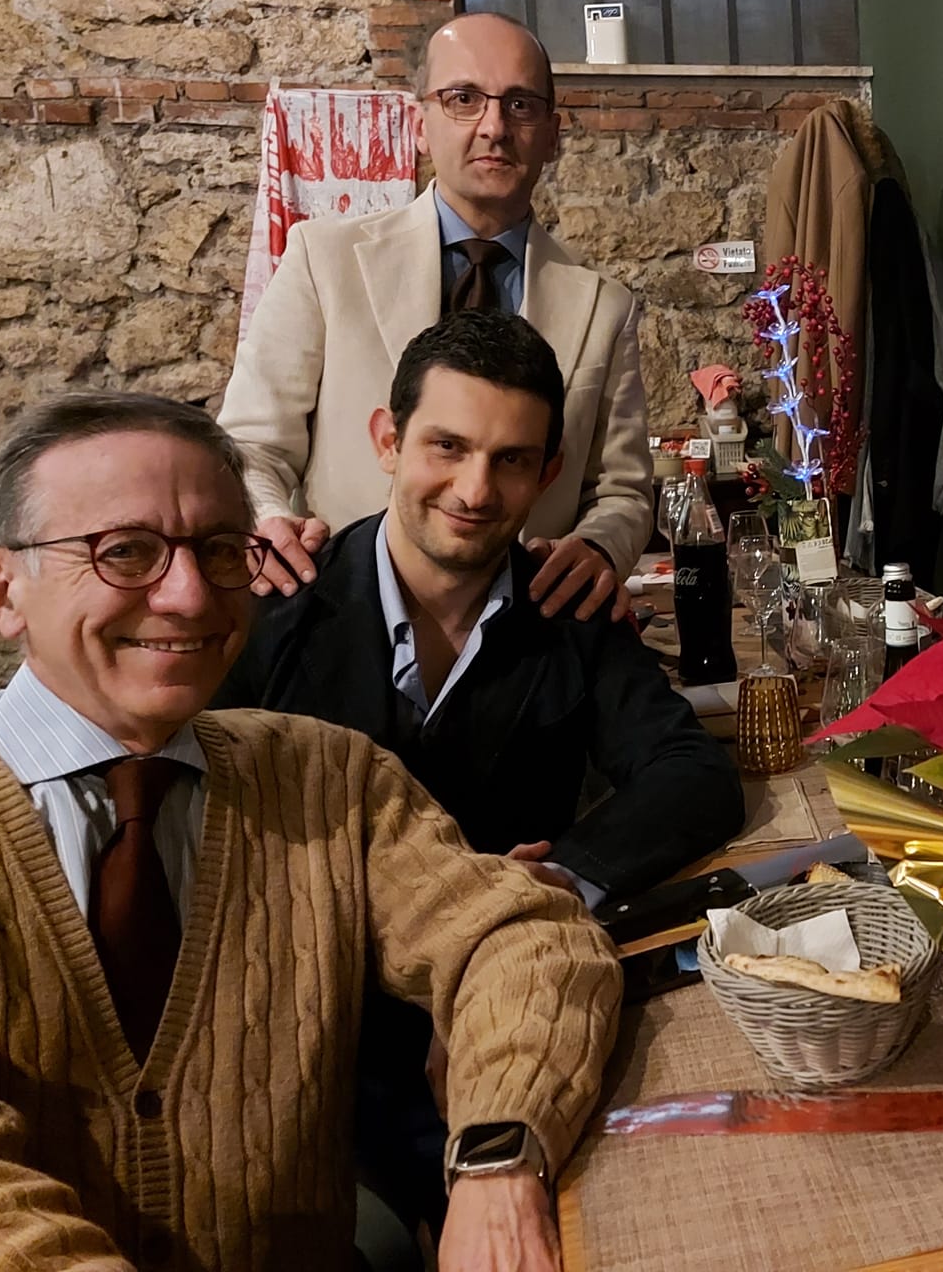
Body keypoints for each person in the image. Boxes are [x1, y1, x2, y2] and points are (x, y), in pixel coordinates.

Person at [0, 391, 620, 1272]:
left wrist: (497, 1163)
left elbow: (522, 937)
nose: (188, 596)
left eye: (218, 550)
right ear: (2, 588)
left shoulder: (326, 777)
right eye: (124, 552)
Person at [214, 310, 742, 1243]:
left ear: (548, 472)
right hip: (316, 1044)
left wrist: (563, 873)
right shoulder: (278, 609)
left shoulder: (566, 607)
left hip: (520, 1017)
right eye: (447, 447)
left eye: (510, 460)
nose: (474, 489)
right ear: (387, 441)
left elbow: (693, 772)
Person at [218, 12, 652, 621]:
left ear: (553, 135)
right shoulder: (326, 261)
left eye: (520, 105)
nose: (494, 127)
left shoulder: (603, 307)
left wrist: (600, 546)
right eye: (463, 99)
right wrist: (269, 520)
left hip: (523, 626)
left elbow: (621, 488)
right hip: (341, 613)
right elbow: (251, 445)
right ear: (420, 124)